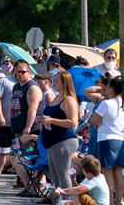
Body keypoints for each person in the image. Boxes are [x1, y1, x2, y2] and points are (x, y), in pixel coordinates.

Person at [41, 71, 80, 201]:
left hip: (63, 141)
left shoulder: (68, 99)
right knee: (55, 176)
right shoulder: (57, 97)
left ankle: (66, 202)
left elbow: (73, 122)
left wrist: (51, 121)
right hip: (53, 142)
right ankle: (58, 201)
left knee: (63, 175)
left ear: (64, 83)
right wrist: (42, 119)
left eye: (57, 80)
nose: (54, 82)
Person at [91, 76, 124, 205]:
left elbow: (93, 121)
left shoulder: (106, 103)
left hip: (107, 140)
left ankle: (110, 202)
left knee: (107, 171)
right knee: (118, 171)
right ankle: (120, 200)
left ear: (111, 89)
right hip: (121, 140)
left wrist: (100, 127)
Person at [0, 68, 18, 188]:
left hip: (20, 125)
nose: (20, 73)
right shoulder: (5, 81)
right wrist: (0, 117)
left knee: (21, 152)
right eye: (18, 70)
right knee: (2, 151)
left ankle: (21, 179)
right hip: (6, 123)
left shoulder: (29, 83)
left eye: (23, 71)